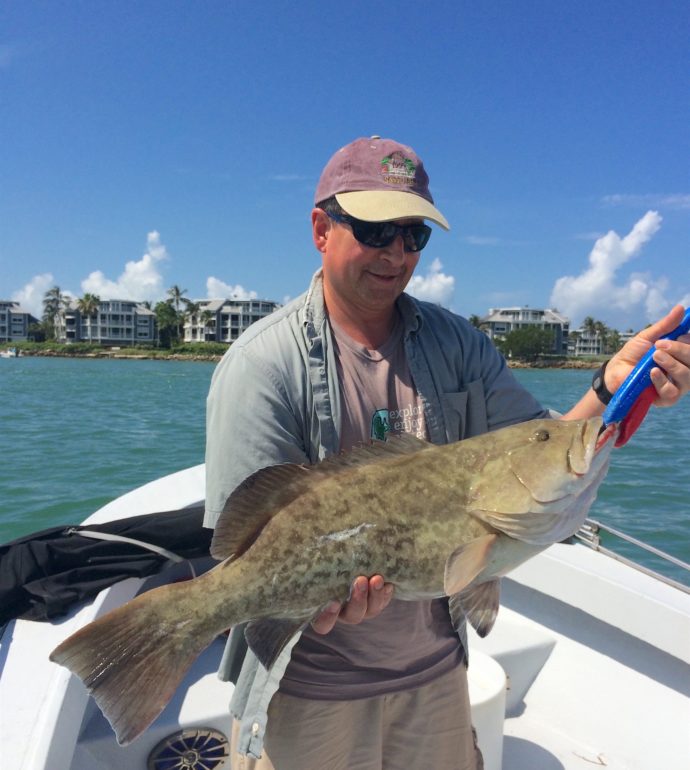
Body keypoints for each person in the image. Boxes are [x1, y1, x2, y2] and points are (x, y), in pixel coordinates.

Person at [204, 136, 690, 769]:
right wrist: (316, 602)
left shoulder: (456, 343)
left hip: (435, 672)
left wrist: (614, 387)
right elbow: (243, 546)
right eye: (377, 230)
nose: (397, 253)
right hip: (306, 691)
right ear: (321, 229)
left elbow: (536, 444)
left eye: (414, 236)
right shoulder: (261, 366)